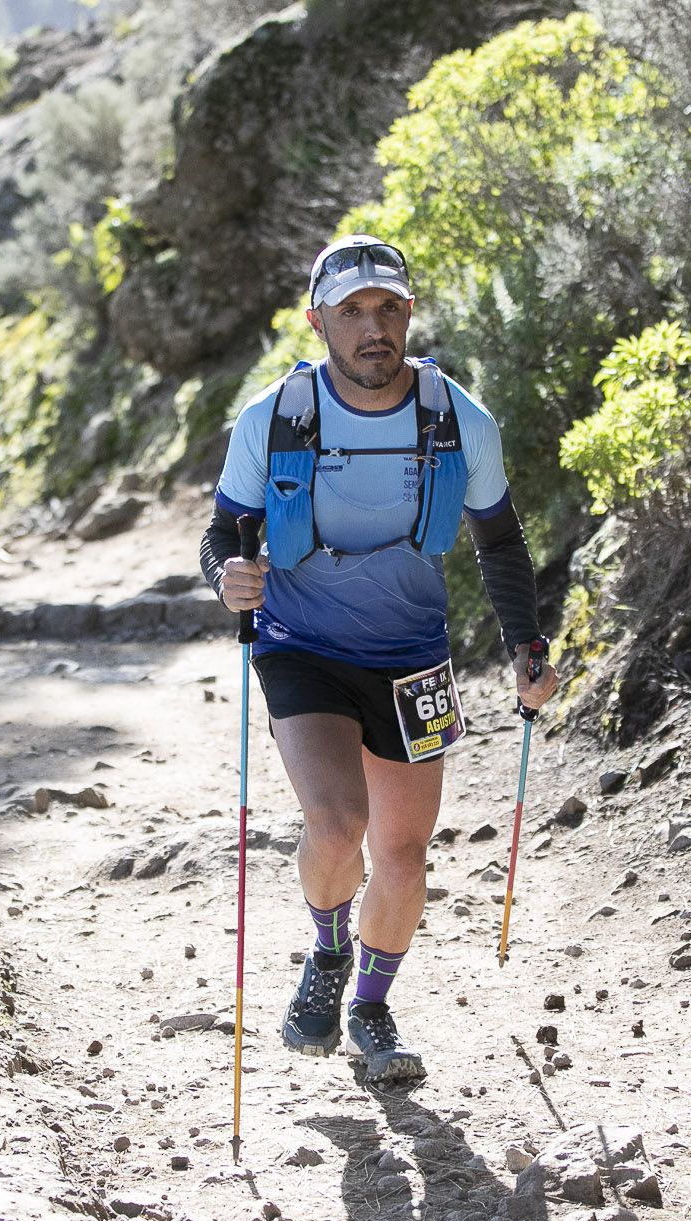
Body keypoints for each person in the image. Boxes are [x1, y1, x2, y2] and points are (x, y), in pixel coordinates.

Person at [198, 235, 559, 1083]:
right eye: (353, 312)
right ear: (319, 319)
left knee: (403, 854)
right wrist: (229, 577)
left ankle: (370, 1004)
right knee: (336, 825)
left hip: (411, 654)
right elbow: (223, 532)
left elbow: (499, 540)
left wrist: (525, 645)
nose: (373, 329)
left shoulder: (456, 418)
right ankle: (327, 952)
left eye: (388, 309)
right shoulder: (274, 417)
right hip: (301, 644)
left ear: (409, 315)